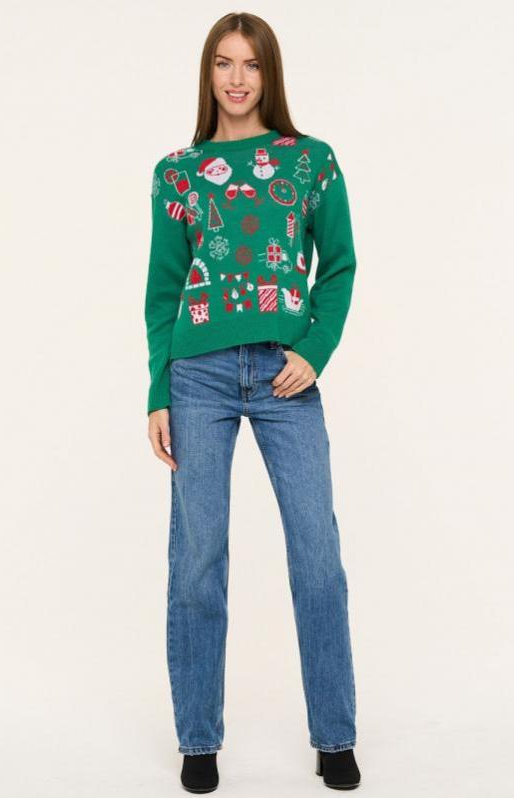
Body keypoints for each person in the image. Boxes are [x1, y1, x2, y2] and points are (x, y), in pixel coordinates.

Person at [144, 12, 360, 793]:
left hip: (283, 377)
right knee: (198, 558)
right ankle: (197, 740)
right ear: (207, 74)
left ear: (270, 74)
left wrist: (312, 350)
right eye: (223, 63)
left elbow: (338, 266)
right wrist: (158, 389)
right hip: (196, 376)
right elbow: (163, 288)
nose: (237, 79)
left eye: (252, 64)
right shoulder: (177, 172)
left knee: (316, 554)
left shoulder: (310, 161)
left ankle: (333, 735)